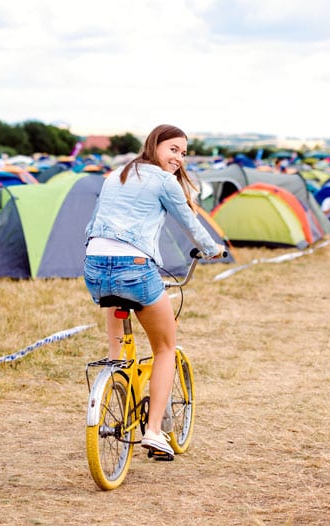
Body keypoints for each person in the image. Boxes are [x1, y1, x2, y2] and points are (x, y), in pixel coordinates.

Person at [84, 124, 225, 460]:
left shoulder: (116, 174)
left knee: (117, 329)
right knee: (165, 347)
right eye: (173, 149)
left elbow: (94, 222)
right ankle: (154, 431)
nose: (178, 158)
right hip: (134, 266)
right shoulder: (162, 181)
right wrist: (212, 248)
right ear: (155, 145)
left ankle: (118, 376)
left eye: (183, 153)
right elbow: (189, 222)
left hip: (94, 264)